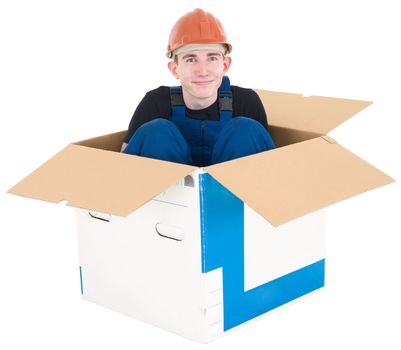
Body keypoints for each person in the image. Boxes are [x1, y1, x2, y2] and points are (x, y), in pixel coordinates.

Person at [121, 8, 275, 167]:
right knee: (156, 131)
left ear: (225, 65)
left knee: (245, 129)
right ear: (175, 69)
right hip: (170, 190)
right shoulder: (155, 103)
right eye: (191, 59)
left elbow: (270, 167)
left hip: (232, 190)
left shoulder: (246, 102)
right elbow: (124, 166)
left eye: (212, 57)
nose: (203, 71)